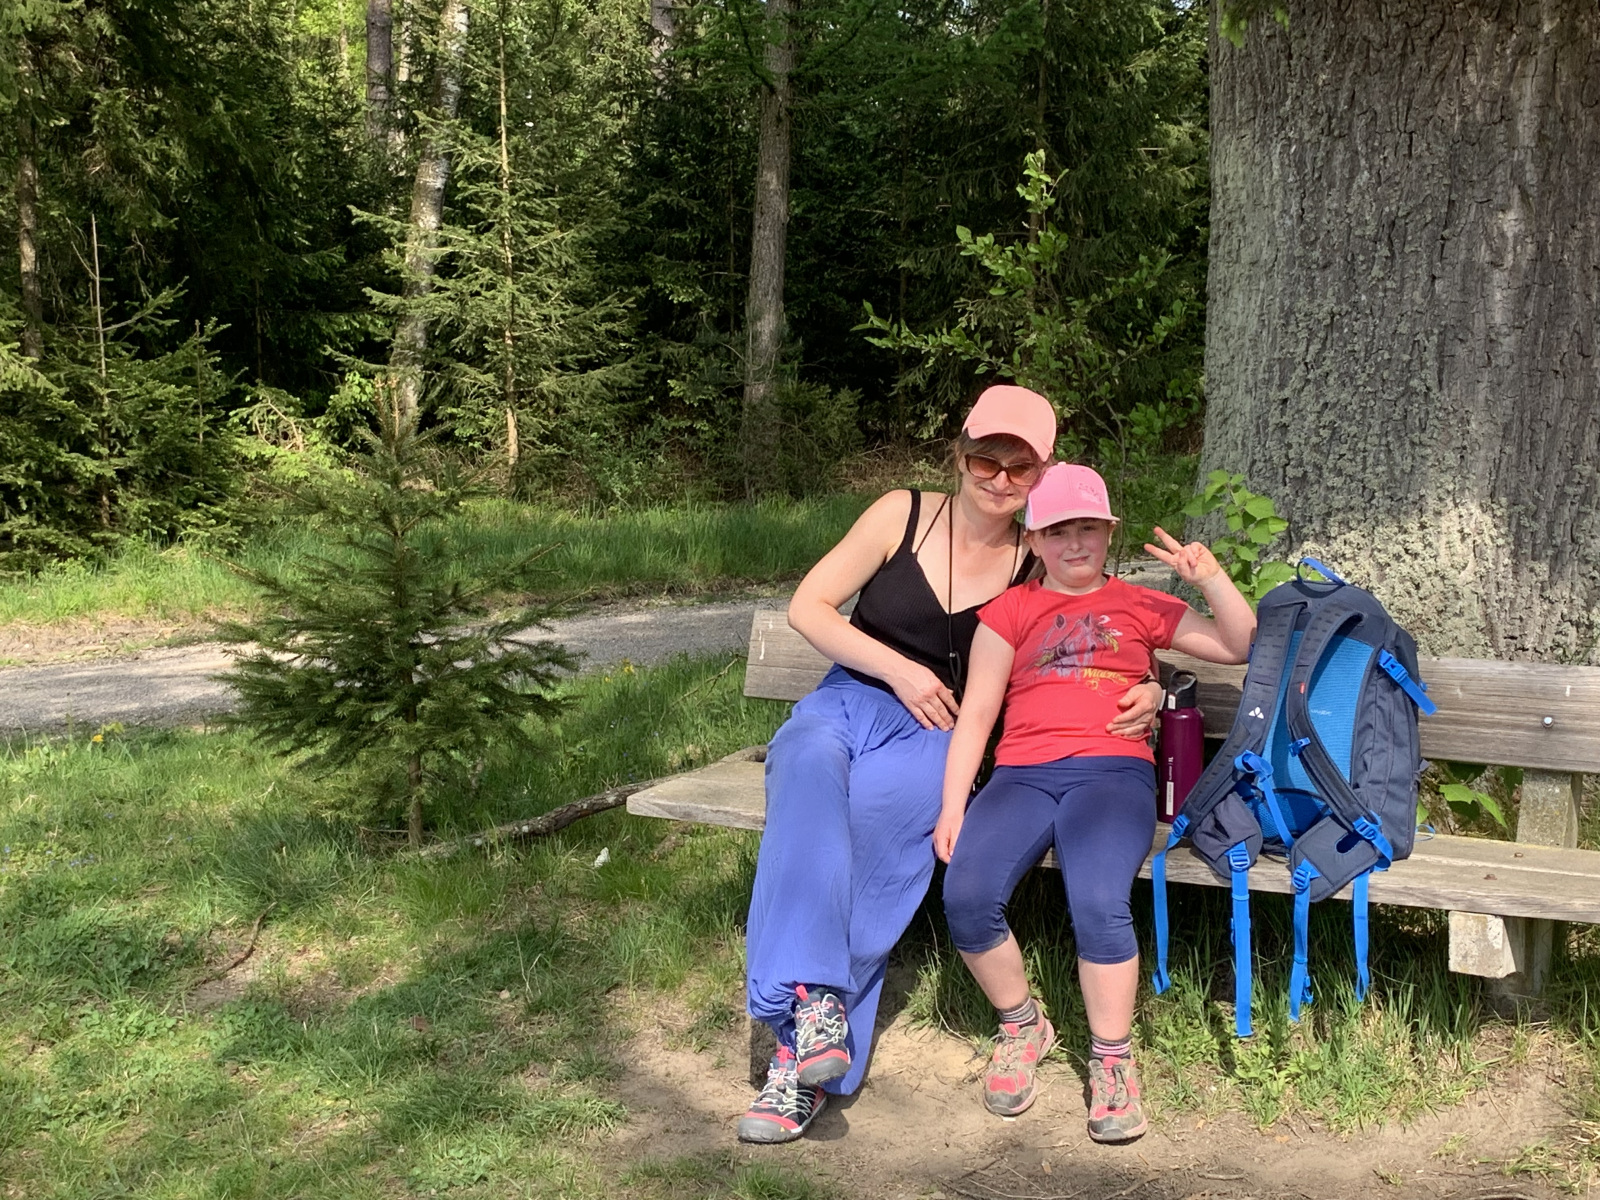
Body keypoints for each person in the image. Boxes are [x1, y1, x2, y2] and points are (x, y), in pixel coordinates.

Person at [738, 388, 1165, 1144]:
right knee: (802, 759)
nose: (999, 479)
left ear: (1042, 474)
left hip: (937, 731)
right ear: (959, 454)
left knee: (877, 836)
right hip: (851, 697)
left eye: (1019, 467)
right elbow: (810, 607)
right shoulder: (900, 514)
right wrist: (899, 670)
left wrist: (1154, 689)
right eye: (984, 460)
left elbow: (1100, 635)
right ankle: (813, 1001)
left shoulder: (1038, 559)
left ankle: (800, 1063)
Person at [933, 463, 1256, 1143]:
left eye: (1087, 528)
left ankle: (1112, 1060)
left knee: (1099, 901)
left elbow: (1239, 645)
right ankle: (1022, 1025)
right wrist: (954, 805)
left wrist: (1210, 579)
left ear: (1110, 533)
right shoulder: (1010, 611)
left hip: (1111, 775)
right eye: (1057, 531)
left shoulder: (1139, 604)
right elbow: (978, 714)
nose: (1074, 543)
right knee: (966, 894)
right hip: (1021, 775)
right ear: (1033, 539)